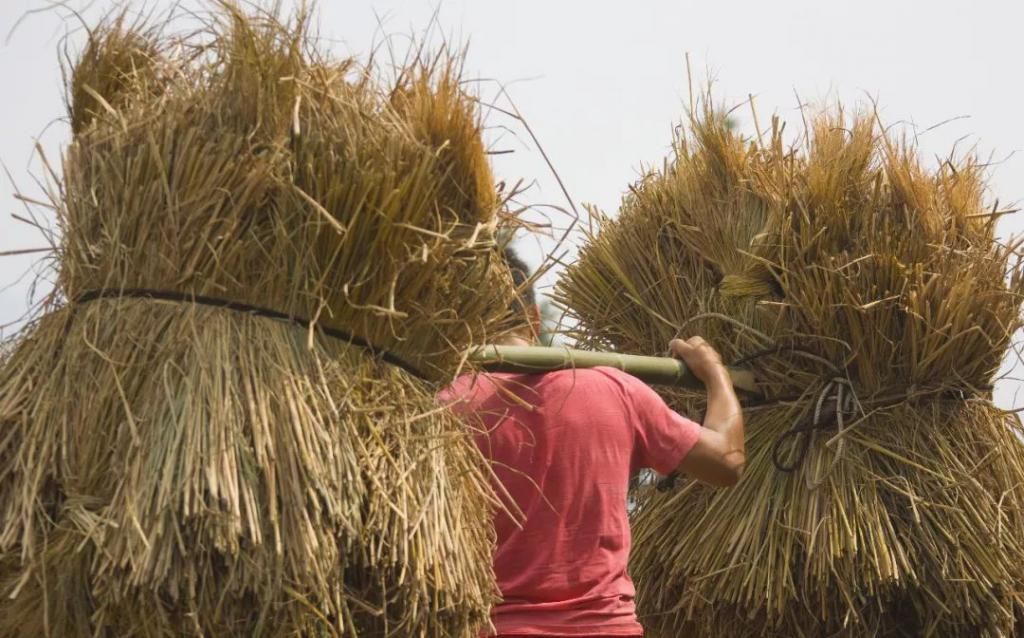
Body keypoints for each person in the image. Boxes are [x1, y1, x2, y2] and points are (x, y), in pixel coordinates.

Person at [442, 247, 746, 638]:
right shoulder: (614, 390)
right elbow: (727, 459)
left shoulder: (439, 414)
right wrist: (716, 375)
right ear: (534, 321)